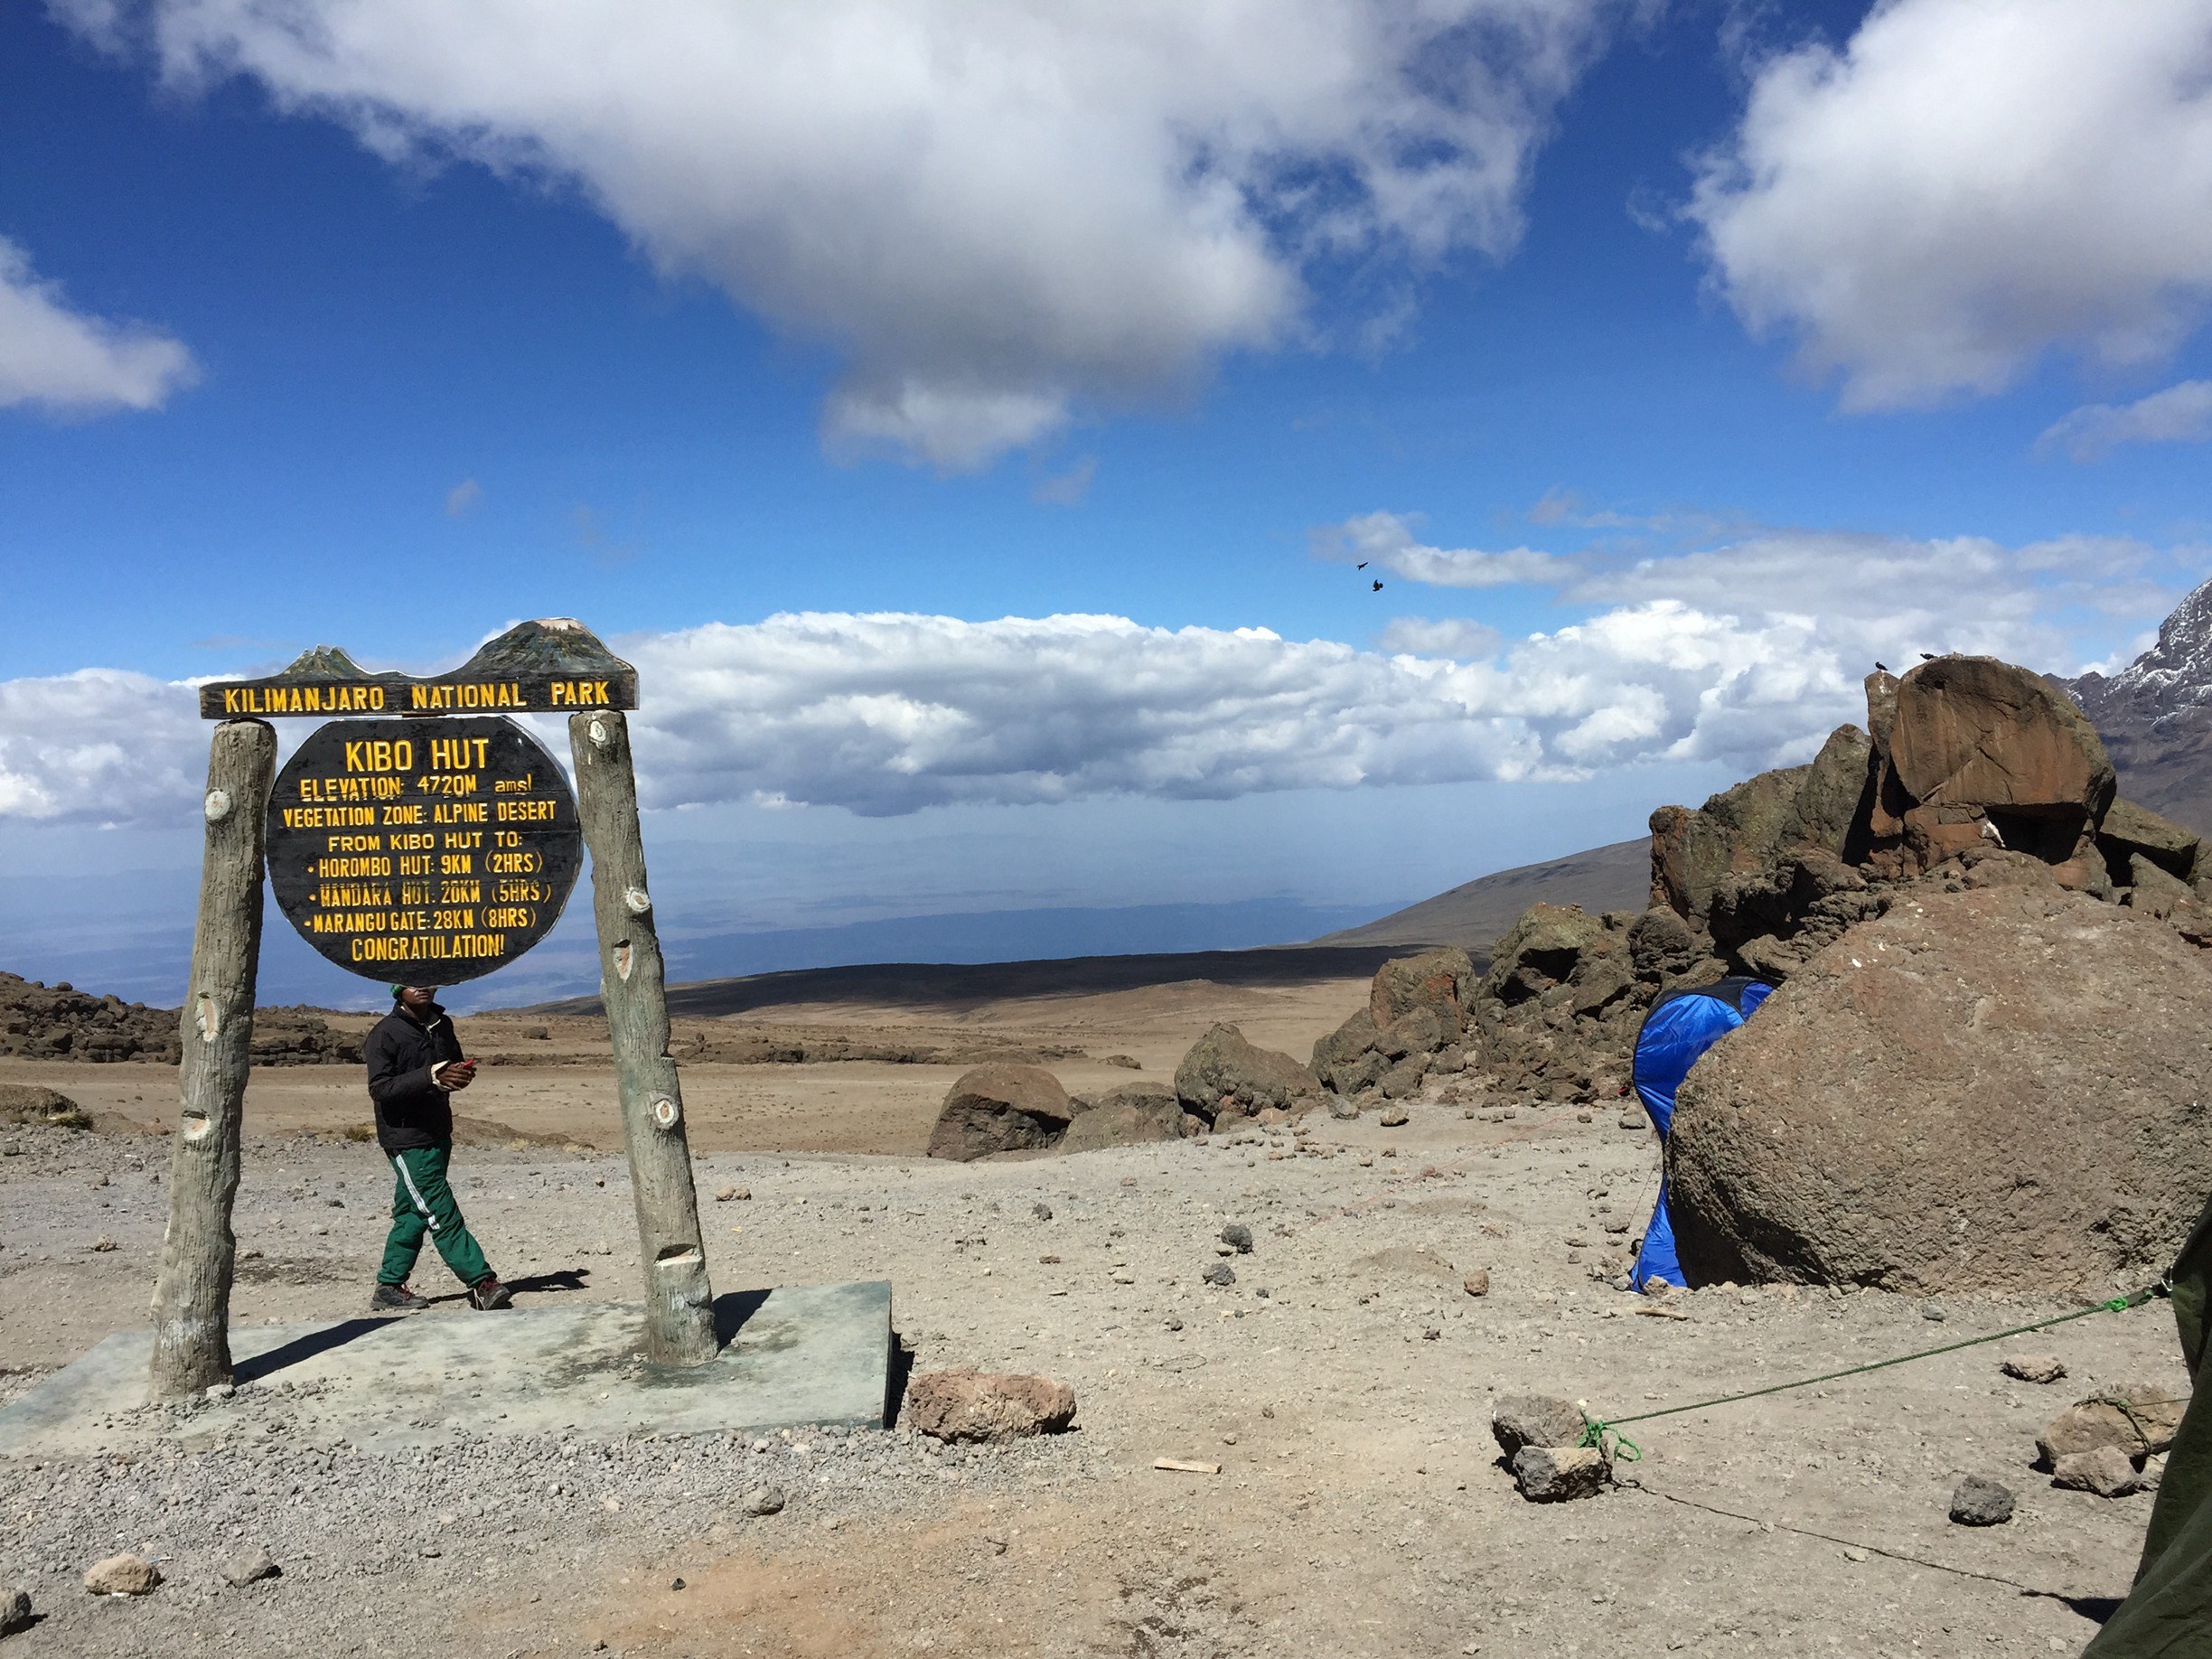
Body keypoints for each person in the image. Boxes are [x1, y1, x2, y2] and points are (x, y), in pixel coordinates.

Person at [364, 983, 512, 1312]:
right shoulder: (384, 1034)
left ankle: (388, 1285)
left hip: (438, 1132)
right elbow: (380, 1088)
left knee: (413, 1213)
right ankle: (481, 1282)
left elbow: (451, 1064)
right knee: (441, 1211)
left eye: (428, 981)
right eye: (413, 983)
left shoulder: (441, 1025)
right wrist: (430, 1076)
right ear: (397, 989)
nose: (423, 988)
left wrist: (459, 1074)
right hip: (407, 1139)